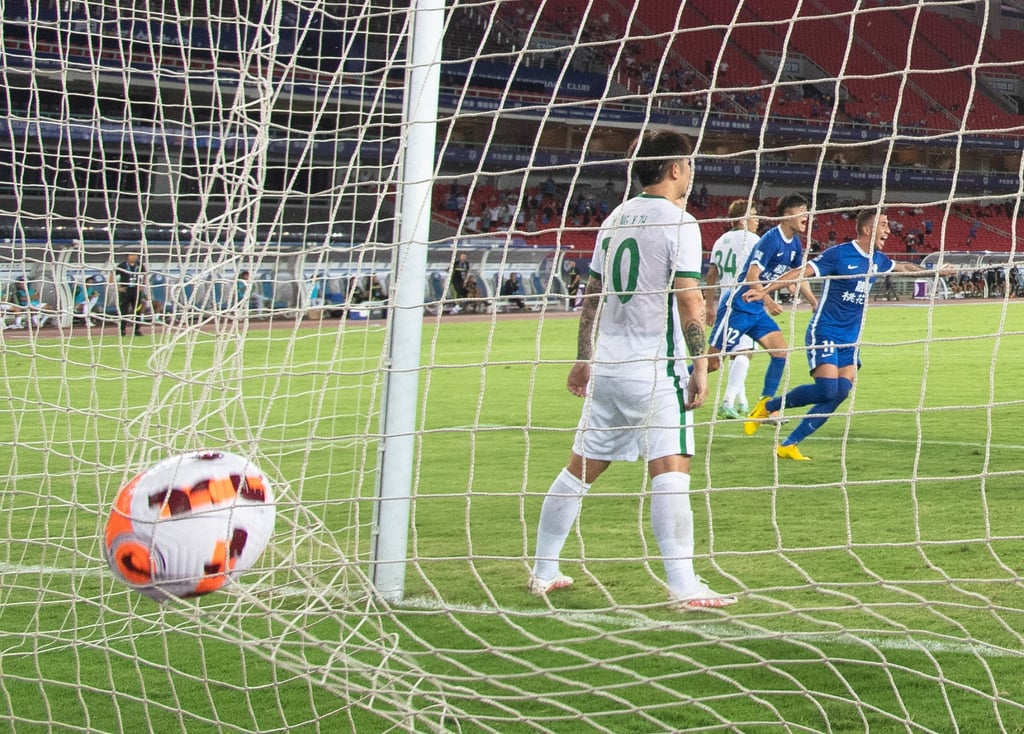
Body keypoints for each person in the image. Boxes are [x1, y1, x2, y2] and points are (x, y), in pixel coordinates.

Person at [528, 129, 737, 610]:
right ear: (675, 169)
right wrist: (700, 364)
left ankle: (544, 569)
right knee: (671, 468)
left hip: (608, 366)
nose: (691, 171)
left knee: (581, 467)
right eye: (689, 164)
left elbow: (592, 298)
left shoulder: (613, 219)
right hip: (655, 368)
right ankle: (684, 586)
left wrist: (584, 358)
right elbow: (689, 299)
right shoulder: (680, 222)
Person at [743, 207, 954, 460]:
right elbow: (802, 272)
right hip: (826, 330)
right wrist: (765, 290)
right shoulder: (840, 255)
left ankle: (788, 444)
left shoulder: (878, 260)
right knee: (827, 390)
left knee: (841, 391)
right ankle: (767, 407)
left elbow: (905, 268)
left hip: (850, 337)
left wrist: (934, 270)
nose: (889, 230)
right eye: (884, 224)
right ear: (867, 228)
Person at [709, 193, 818, 434]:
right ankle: (673, 386)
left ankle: (765, 407)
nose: (807, 216)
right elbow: (751, 277)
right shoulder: (770, 240)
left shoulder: (795, 243)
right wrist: (768, 299)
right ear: (788, 215)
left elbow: (796, 276)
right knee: (711, 363)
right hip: (739, 305)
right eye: (802, 211)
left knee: (781, 352)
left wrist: (813, 302)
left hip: (756, 310)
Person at [704, 199, 761, 419]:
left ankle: (742, 401)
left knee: (735, 351)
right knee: (745, 352)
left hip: (724, 302)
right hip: (744, 301)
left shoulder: (720, 241)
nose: (757, 220)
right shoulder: (753, 240)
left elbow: (711, 275)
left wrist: (709, 304)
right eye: (753, 215)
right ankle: (727, 401)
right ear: (741, 219)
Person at [115, 252, 147, 336]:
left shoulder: (139, 265)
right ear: (127, 257)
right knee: (123, 311)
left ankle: (137, 330)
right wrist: (119, 287)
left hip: (136, 290)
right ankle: (122, 330)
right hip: (125, 290)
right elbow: (114, 276)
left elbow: (145, 275)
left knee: (137, 311)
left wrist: (143, 285)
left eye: (135, 255)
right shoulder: (122, 266)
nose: (134, 257)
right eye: (132, 255)